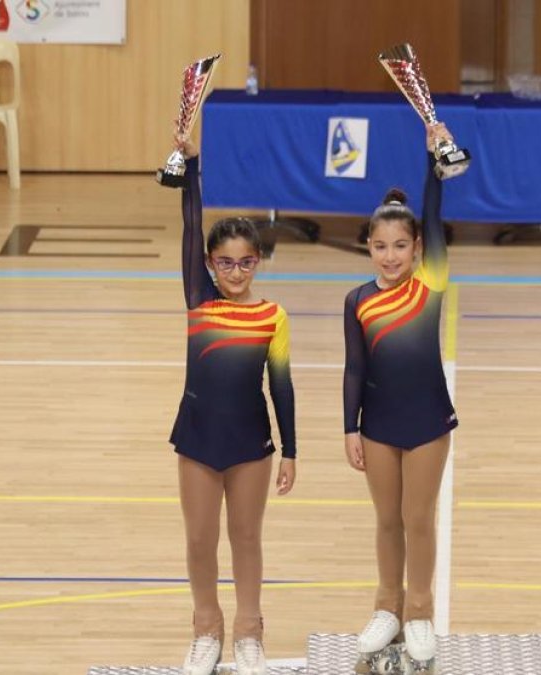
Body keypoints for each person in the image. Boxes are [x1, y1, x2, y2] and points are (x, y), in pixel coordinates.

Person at [171, 138, 297, 675]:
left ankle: (249, 632)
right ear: (209, 263)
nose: (236, 271)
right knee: (200, 539)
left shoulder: (273, 316)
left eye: (246, 261)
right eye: (225, 261)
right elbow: (189, 220)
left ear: (258, 261)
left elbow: (282, 387)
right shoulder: (200, 298)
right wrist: (192, 163)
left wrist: (291, 450)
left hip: (250, 444)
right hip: (198, 439)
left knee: (246, 538)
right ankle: (206, 629)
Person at [343, 125, 459, 671]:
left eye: (401, 246)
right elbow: (354, 368)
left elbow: (433, 212)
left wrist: (433, 155)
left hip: (428, 421)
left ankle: (419, 612)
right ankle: (386, 605)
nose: (390, 257)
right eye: (380, 246)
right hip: (378, 424)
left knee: (419, 518)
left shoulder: (429, 283)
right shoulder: (358, 301)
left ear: (418, 249)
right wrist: (350, 426)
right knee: (386, 520)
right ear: (368, 247)